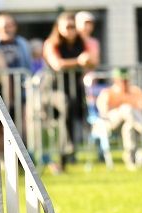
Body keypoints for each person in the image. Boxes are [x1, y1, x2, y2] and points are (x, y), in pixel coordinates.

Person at [43, 12, 93, 168]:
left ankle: (67, 156)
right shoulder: (52, 43)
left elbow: (93, 62)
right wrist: (79, 61)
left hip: (75, 90)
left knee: (77, 116)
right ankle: (65, 151)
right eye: (68, 27)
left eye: (74, 27)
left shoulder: (81, 42)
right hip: (52, 91)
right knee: (66, 104)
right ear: (59, 28)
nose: (72, 30)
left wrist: (87, 61)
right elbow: (57, 64)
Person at [96, 68, 142, 169]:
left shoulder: (135, 91)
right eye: (122, 80)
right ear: (116, 80)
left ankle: (130, 160)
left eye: (126, 80)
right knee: (126, 109)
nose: (125, 82)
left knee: (129, 126)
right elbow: (103, 113)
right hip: (111, 124)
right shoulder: (107, 93)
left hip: (133, 124)